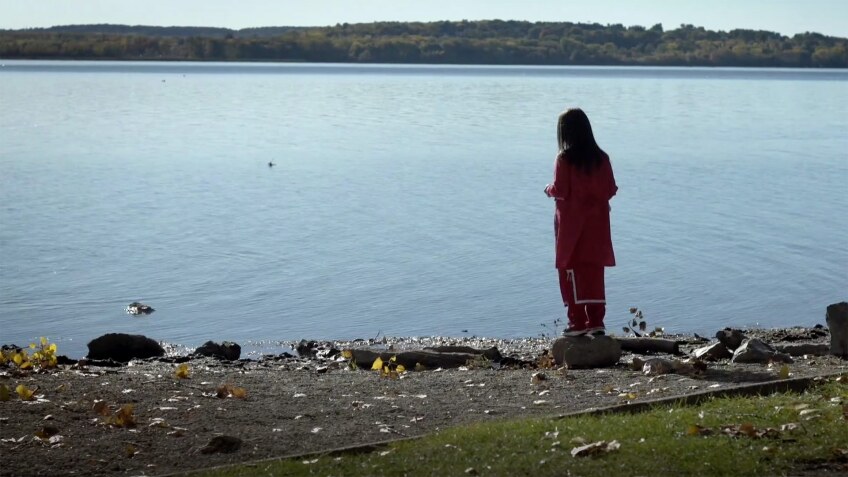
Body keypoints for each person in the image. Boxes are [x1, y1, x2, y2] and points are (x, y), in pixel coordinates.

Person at [544, 108, 617, 337]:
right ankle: (596, 321)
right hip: (597, 225)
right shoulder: (601, 158)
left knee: (571, 269)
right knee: (594, 270)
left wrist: (548, 189)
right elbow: (610, 189)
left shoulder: (564, 159)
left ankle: (577, 322)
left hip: (571, 227)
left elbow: (561, 190)